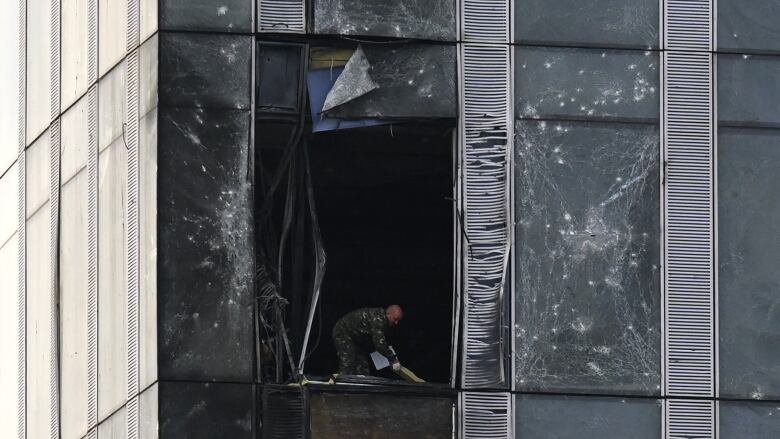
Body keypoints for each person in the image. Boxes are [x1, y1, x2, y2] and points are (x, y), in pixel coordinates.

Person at [332, 305, 403, 376]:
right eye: (395, 319)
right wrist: (393, 359)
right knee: (348, 361)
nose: (396, 323)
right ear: (388, 314)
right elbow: (379, 344)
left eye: (398, 321)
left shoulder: (384, 321)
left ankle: (362, 385)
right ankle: (343, 384)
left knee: (362, 366)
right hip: (343, 331)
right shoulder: (378, 319)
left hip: (357, 339)